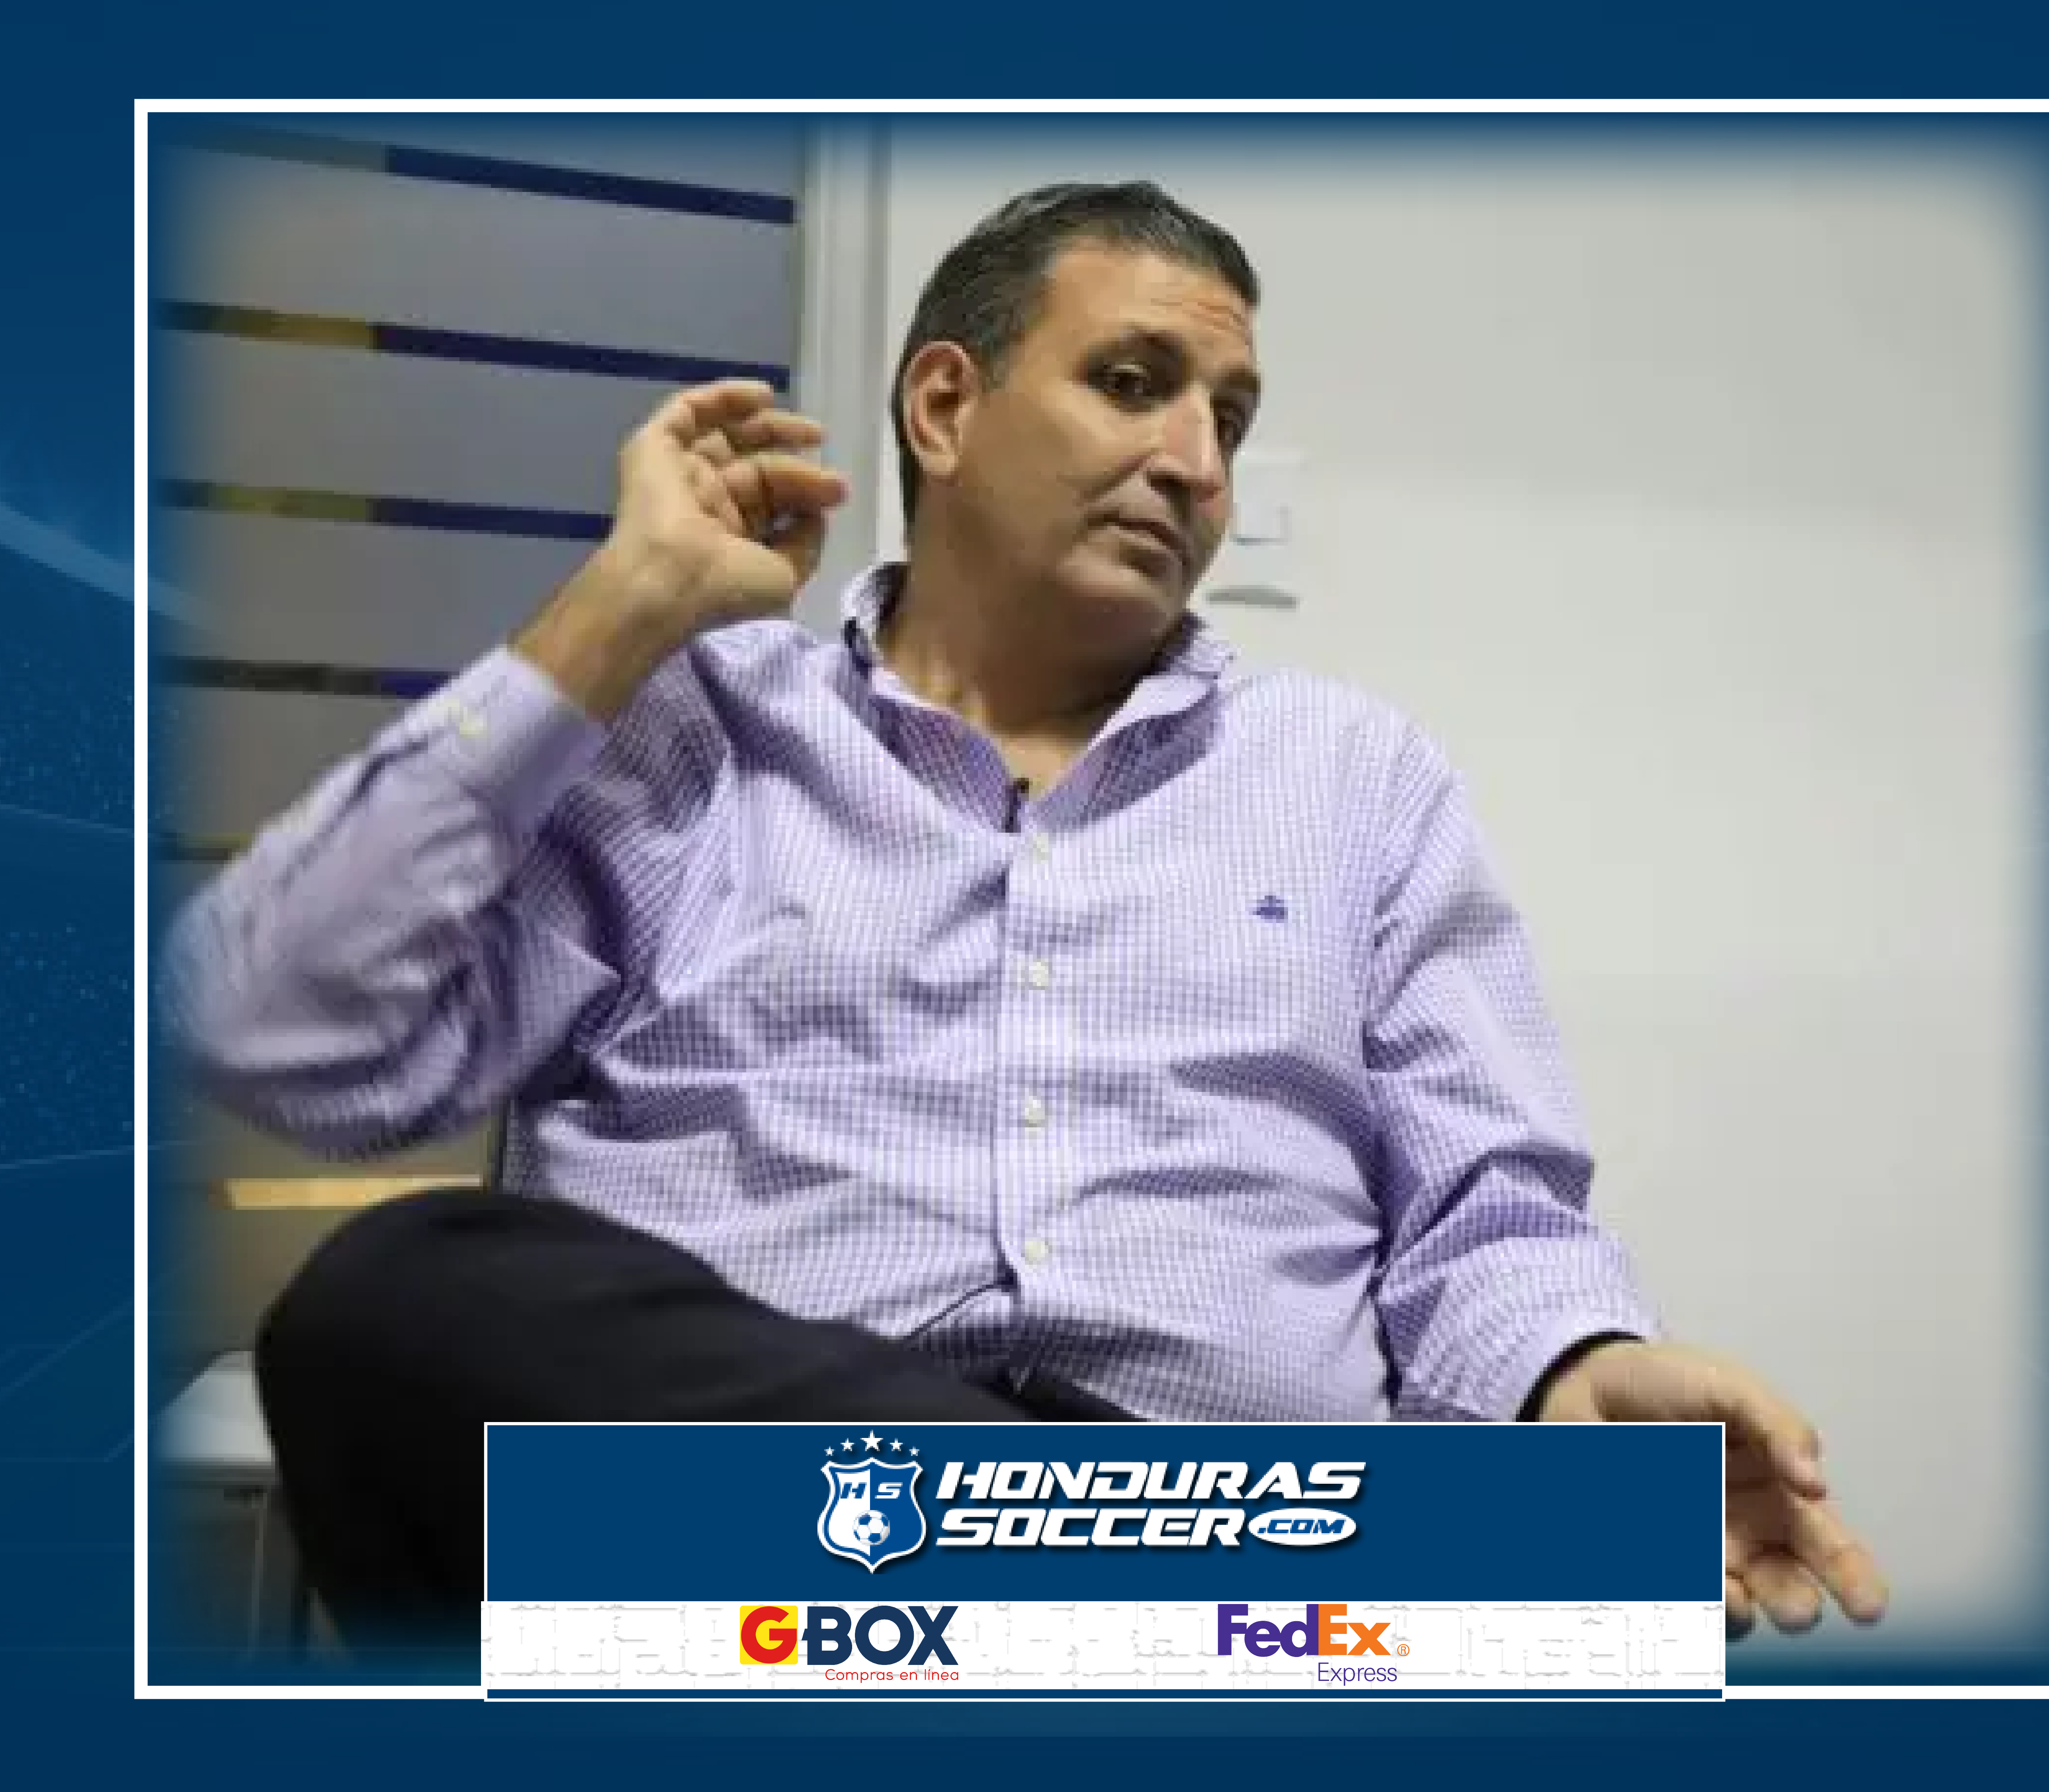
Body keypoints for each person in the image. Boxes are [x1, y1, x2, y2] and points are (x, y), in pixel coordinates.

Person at [161, 182, 1887, 1651]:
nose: (1193, 462)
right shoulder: (695, 732)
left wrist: (1579, 1372)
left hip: (1222, 1516)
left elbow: (1486, 1208)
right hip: (796, 1544)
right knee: (390, 1299)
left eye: (1228, 420)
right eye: (1134, 384)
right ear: (944, 405)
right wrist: (622, 610)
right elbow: (273, 1028)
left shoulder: (1358, 780)